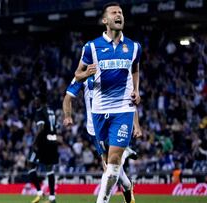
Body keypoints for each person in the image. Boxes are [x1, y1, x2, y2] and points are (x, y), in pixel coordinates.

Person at [73, 2, 142, 203]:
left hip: (123, 109)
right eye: (114, 12)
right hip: (99, 111)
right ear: (105, 20)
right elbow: (77, 74)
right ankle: (128, 187)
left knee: (112, 163)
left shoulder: (134, 47)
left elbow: (135, 68)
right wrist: (86, 73)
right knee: (107, 164)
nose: (119, 15)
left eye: (120, 12)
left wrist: (136, 89)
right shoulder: (92, 47)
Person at [62, 77, 141, 203]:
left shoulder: (113, 68)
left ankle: (103, 200)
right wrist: (67, 116)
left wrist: (136, 126)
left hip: (114, 121)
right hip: (96, 128)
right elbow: (68, 97)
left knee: (109, 168)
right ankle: (127, 183)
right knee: (112, 167)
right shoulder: (85, 74)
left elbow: (128, 100)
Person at [28, 91, 59, 203]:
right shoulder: (52, 112)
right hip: (52, 142)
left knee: (30, 164)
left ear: (40, 100)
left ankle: (40, 193)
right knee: (49, 170)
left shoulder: (39, 112)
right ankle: (52, 198)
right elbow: (57, 126)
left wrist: (35, 143)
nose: (34, 101)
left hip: (42, 143)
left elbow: (40, 128)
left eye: (36, 99)